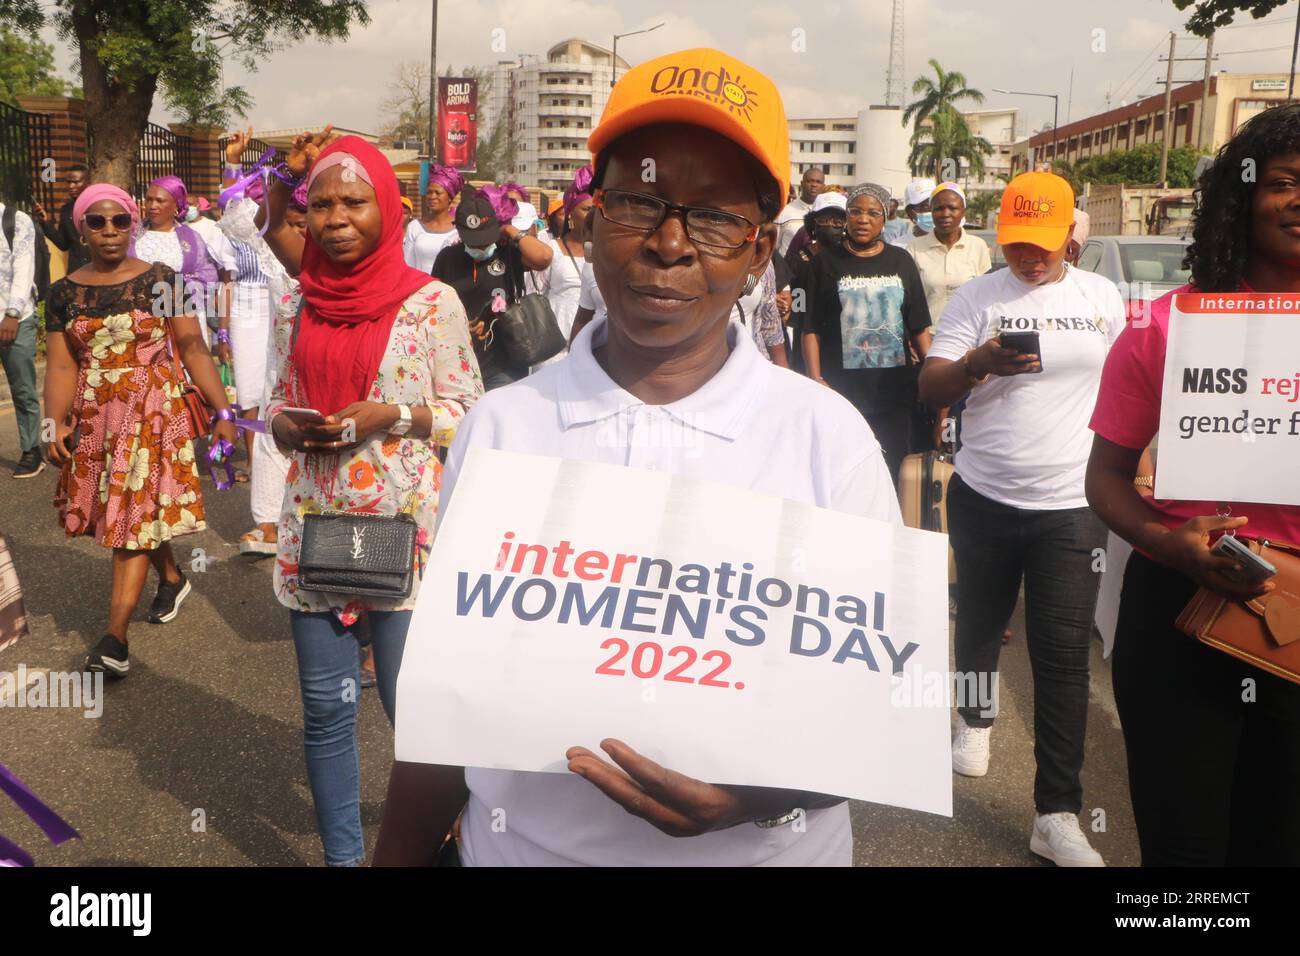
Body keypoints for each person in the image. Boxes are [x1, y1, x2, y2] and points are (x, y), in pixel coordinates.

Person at [375, 46, 901, 869]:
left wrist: (757, 798)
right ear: (587, 222)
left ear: (760, 252)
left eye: (715, 217)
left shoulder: (827, 440)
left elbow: (877, 714)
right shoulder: (505, 426)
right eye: (637, 202)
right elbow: (447, 708)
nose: (668, 243)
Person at [259, 131, 481, 867]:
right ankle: (344, 861)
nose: (335, 218)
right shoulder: (296, 304)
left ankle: (443, 845)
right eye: (319, 205)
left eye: (353, 200)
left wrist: (398, 414)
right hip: (315, 534)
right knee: (325, 714)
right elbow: (274, 403)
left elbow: (472, 412)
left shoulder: (432, 303)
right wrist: (288, 426)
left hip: (406, 536)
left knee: (411, 714)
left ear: (386, 207)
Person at [1085, 103, 1300, 866]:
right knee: (1186, 856)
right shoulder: (1164, 325)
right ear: (1241, 199)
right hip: (1182, 606)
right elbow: (1105, 479)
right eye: (1282, 182)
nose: (1299, 199)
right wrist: (1162, 542)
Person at [918, 171, 1125, 867]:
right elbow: (930, 385)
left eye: (1041, 243)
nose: (1029, 258)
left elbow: (1129, 386)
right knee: (979, 621)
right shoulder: (980, 296)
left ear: (1072, 232)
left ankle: (1057, 813)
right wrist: (978, 363)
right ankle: (974, 719)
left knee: (1062, 659)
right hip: (984, 493)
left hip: (1072, 507)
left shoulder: (1102, 297)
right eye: (1015, 245)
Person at [42, 184, 238, 677]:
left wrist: (224, 413)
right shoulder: (63, 292)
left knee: (128, 517)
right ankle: (171, 575)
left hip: (153, 410)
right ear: (81, 227)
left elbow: (192, 347)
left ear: (132, 224)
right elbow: (62, 368)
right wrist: (52, 423)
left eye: (120, 221)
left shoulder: (162, 278)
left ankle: (114, 639)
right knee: (130, 509)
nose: (109, 231)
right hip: (96, 417)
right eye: (96, 222)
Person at [802, 182, 932, 484]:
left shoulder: (901, 262)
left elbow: (918, 328)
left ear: (884, 219)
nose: (863, 219)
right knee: (843, 476)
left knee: (890, 475)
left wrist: (933, 372)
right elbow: (810, 328)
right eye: (856, 212)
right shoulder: (824, 263)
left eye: (873, 213)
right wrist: (816, 379)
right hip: (841, 394)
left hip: (894, 394)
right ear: (847, 217)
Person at [432, 184, 553, 390]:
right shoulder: (448, 257)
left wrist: (510, 230)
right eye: (474, 241)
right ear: (459, 232)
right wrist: (461, 325)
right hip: (460, 362)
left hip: (505, 363)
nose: (480, 247)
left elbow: (543, 258)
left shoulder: (507, 252)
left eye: (484, 240)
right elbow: (433, 305)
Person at [907, 181, 991, 450]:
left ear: (963, 211)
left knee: (958, 422)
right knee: (925, 418)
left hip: (967, 345)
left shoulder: (978, 247)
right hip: (924, 345)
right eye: (938, 207)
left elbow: (986, 295)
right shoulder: (914, 248)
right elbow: (908, 300)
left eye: (952, 207)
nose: (945, 213)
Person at [135, 176, 229, 346]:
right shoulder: (133, 236)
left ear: (175, 206)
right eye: (149, 199)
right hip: (143, 318)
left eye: (159, 200)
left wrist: (178, 291)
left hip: (185, 316)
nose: (152, 205)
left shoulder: (191, 239)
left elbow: (207, 276)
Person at [529, 166, 593, 369]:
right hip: (554, 350)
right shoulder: (551, 251)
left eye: (597, 210)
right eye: (586, 209)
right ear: (570, 214)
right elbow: (534, 296)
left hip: (594, 347)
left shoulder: (607, 253)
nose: (592, 216)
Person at [0, 196, 44, 478]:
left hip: (14, 317)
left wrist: (13, 313)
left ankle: (32, 450)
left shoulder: (16, 220)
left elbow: (24, 268)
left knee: (22, 388)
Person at [403, 164, 463, 273]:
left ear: (450, 197)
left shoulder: (460, 229)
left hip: (449, 288)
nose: (432, 197)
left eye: (438, 193)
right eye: (429, 192)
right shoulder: (415, 227)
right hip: (421, 288)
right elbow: (407, 266)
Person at [33, 163, 90, 274]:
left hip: (98, 270)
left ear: (88, 183)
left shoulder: (97, 205)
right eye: (69, 182)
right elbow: (63, 244)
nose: (71, 186)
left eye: (76, 182)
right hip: (76, 272)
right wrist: (45, 223)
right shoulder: (66, 210)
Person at [775, 166, 825, 255]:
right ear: (801, 184)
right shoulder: (784, 212)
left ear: (823, 186)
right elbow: (774, 247)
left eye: (818, 182)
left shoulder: (827, 215)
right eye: (810, 181)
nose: (814, 184)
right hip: (787, 267)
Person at [889, 178, 936, 247]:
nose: (932, 211)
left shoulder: (953, 244)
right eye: (926, 207)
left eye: (937, 206)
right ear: (910, 214)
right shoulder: (898, 247)